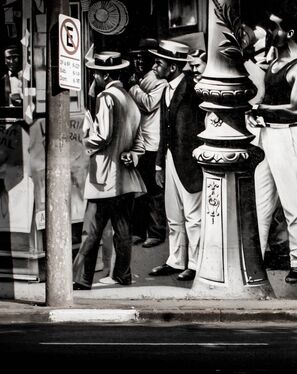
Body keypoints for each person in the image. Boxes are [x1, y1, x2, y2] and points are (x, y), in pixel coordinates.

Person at [247, 12, 297, 284]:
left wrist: (260, 108)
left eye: (275, 28)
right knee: (261, 204)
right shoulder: (274, 62)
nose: (270, 32)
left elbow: (295, 109)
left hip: (288, 138)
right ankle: (255, 259)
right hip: (266, 136)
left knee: (292, 203)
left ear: (290, 33)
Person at [72, 51, 145, 290]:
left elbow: (102, 135)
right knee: (122, 230)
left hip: (104, 178)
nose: (94, 76)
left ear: (104, 75)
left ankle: (81, 279)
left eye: (95, 73)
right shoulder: (130, 99)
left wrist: (85, 136)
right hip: (126, 179)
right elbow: (140, 143)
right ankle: (123, 275)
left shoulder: (106, 97)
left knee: (91, 230)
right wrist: (130, 154)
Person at [148, 40, 205, 282]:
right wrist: (160, 164)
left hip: (190, 161)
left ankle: (195, 263)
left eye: (159, 62)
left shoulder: (194, 90)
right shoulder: (166, 90)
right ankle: (176, 259)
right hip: (172, 157)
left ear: (172, 67)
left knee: (193, 216)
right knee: (173, 214)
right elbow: (163, 129)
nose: (154, 66)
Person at [128, 39, 169, 249]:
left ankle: (155, 232)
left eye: (142, 57)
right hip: (140, 141)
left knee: (153, 190)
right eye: (135, 57)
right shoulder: (139, 78)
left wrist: (134, 88)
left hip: (153, 142)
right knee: (139, 189)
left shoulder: (159, 81)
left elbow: (149, 103)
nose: (138, 61)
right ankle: (138, 231)